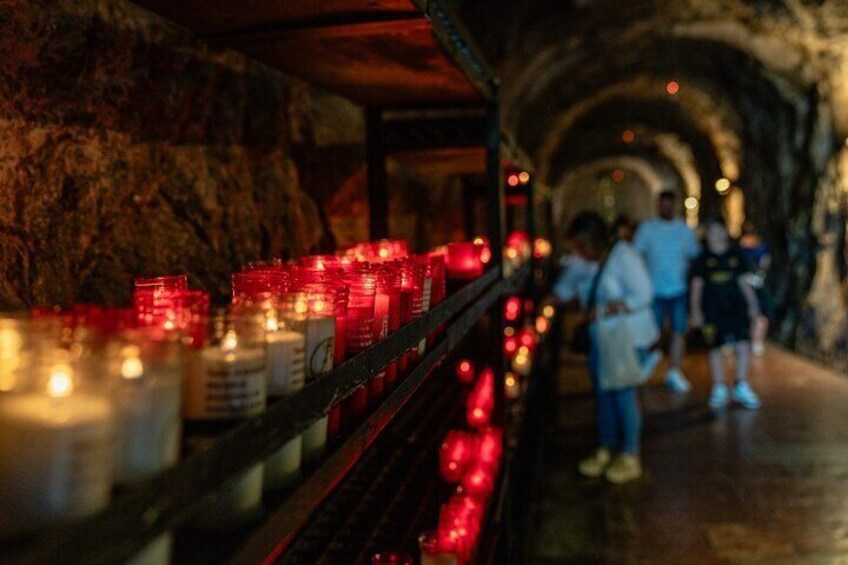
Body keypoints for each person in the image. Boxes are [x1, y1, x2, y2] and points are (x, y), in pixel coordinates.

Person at [553, 211, 658, 484]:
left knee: (622, 392)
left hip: (628, 337)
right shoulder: (584, 260)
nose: (575, 252)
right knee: (603, 393)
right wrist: (551, 300)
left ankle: (630, 454)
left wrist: (605, 309)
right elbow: (568, 285)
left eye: (578, 246)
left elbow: (643, 294)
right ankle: (605, 446)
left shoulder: (623, 256)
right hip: (602, 336)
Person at [690, 217, 761, 410]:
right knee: (715, 347)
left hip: (736, 309)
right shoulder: (702, 259)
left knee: (742, 344)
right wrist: (695, 311)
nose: (714, 235)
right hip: (712, 311)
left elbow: (744, 281)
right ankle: (719, 387)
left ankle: (740, 383)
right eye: (710, 231)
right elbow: (697, 287)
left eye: (717, 230)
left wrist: (753, 305)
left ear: (724, 231)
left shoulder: (736, 256)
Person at [633, 190, 699, 392]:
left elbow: (693, 255)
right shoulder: (647, 229)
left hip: (678, 289)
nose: (666, 208)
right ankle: (646, 364)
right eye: (662, 204)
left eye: (669, 204)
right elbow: (636, 255)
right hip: (654, 290)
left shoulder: (683, 229)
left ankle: (674, 371)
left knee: (679, 331)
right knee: (652, 332)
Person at [739, 221, 773, 356]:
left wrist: (758, 276)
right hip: (744, 284)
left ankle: (757, 342)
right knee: (747, 313)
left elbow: (765, 264)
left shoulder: (762, 249)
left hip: (757, 284)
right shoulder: (740, 249)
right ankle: (748, 341)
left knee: (760, 314)